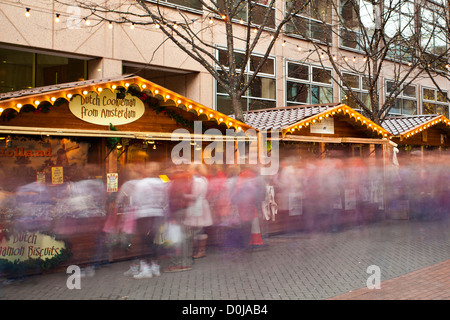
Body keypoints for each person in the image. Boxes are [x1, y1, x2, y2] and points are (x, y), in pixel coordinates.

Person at [183, 164, 213, 259]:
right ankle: (200, 250)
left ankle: (199, 251)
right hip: (201, 205)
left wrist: (183, 195)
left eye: (191, 169)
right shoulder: (204, 179)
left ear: (196, 170)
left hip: (197, 206)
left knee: (198, 228)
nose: (189, 171)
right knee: (200, 228)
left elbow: (195, 196)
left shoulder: (197, 181)